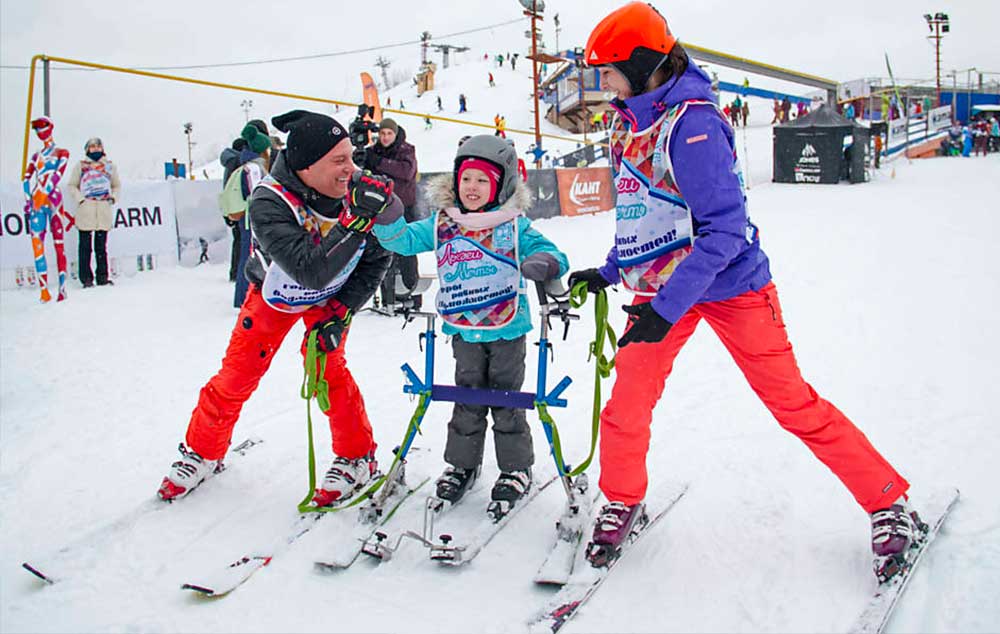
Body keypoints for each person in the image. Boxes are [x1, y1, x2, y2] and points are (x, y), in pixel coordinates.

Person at [571, 2, 920, 582]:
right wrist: (608, 272)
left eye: (607, 70)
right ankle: (622, 496)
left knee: (793, 404)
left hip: (731, 285)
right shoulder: (630, 121)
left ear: (643, 64)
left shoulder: (695, 124)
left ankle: (889, 502)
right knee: (627, 402)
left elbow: (725, 232)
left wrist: (663, 307)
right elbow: (647, 215)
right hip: (663, 291)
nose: (600, 84)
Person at [158, 110, 396, 507]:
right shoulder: (268, 203)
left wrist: (344, 310)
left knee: (327, 367)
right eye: (339, 161)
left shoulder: (356, 191)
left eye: (351, 157)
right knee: (239, 372)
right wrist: (358, 220)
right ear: (307, 165)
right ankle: (203, 450)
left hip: (330, 295)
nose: (350, 170)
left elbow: (377, 258)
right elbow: (310, 271)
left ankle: (358, 457)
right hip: (278, 292)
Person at [371, 135, 569, 513]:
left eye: (482, 180)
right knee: (467, 397)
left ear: (500, 185)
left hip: (507, 328)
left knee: (507, 400)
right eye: (466, 179)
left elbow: (551, 252)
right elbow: (402, 240)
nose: (472, 188)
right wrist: (386, 215)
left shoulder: (514, 225)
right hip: (464, 328)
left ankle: (515, 468)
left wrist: (544, 263)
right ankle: (462, 464)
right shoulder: (444, 223)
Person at [357, 117, 422, 311]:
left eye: (389, 134)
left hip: (405, 208)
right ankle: (388, 298)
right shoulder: (372, 151)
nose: (385, 138)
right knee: (384, 253)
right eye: (382, 134)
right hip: (381, 209)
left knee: (406, 252)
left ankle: (413, 295)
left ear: (395, 134)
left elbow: (406, 172)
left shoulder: (406, 150)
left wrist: (379, 162)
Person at [22, 116, 73, 302]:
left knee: (59, 244)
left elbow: (58, 174)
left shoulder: (62, 152)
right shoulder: (36, 156)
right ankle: (44, 289)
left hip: (53, 199)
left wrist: (44, 191)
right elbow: (26, 178)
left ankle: (62, 287)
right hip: (37, 201)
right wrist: (29, 199)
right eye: (36, 128)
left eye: (42, 127)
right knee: (38, 245)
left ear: (50, 127)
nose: (39, 131)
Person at [67, 137, 120, 289]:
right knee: (85, 246)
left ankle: (103, 277)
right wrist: (81, 199)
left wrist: (113, 198)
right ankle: (86, 279)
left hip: (103, 209)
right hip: (86, 209)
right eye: (92, 147)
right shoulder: (81, 166)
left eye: (98, 146)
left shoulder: (109, 167)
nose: (95, 149)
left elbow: (116, 185)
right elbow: (72, 185)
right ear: (87, 149)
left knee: (101, 246)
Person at [231, 120, 272, 308]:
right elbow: (257, 193)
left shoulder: (251, 165)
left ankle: (247, 295)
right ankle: (244, 297)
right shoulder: (254, 168)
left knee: (251, 256)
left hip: (252, 218)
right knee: (250, 257)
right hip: (252, 220)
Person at [220, 138, 248, 282]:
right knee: (241, 241)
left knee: (238, 240)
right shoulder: (237, 163)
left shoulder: (230, 162)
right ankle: (237, 272)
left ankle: (234, 271)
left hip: (233, 207)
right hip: (240, 207)